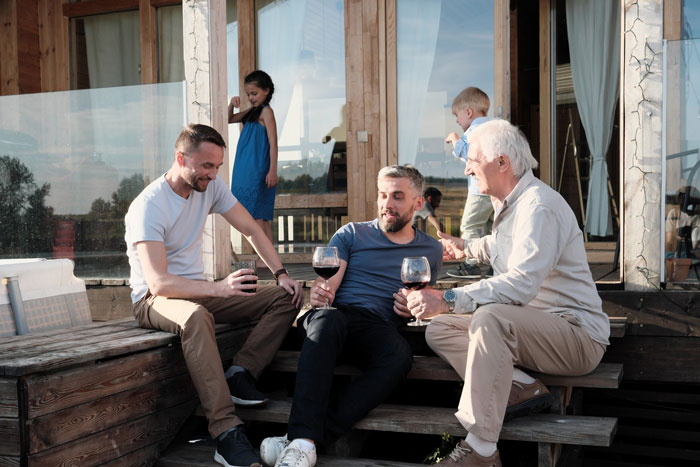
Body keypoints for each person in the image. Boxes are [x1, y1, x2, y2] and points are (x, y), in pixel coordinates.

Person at [406, 120, 610, 467]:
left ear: (502, 163)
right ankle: (520, 385)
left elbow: (521, 284)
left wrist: (449, 298)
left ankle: (482, 449)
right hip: (533, 330)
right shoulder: (510, 205)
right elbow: (503, 246)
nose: (467, 167)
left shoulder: (538, 207)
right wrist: (467, 247)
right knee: (440, 327)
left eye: (473, 159)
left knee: (489, 316)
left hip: (576, 334)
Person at [124, 124, 304, 467]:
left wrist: (282, 274)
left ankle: (240, 373)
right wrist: (220, 288)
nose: (213, 174)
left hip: (199, 291)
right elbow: (160, 283)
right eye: (207, 166)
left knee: (285, 297)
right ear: (181, 158)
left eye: (218, 166)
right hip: (153, 300)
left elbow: (251, 228)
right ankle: (225, 431)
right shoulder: (148, 206)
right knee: (195, 316)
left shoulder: (210, 188)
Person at [258, 165, 443, 467]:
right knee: (330, 320)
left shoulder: (430, 249)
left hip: (377, 326)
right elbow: (329, 286)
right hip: (334, 318)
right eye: (383, 195)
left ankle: (303, 440)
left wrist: (410, 307)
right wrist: (320, 293)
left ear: (418, 203)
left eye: (397, 196)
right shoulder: (353, 233)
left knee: (399, 356)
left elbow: (419, 296)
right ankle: (303, 440)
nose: (387, 204)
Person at [445, 87, 493, 279]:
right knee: (494, 227)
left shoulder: (474, 130)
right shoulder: (495, 127)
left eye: (457, 115)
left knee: (470, 225)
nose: (457, 120)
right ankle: (495, 265)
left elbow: (466, 153)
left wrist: (454, 139)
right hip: (497, 190)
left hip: (479, 191)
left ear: (468, 112)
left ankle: (471, 265)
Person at [229, 70, 278, 245]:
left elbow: (273, 143)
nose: (250, 97)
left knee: (256, 213)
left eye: (254, 93)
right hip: (244, 168)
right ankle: (269, 255)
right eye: (248, 94)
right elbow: (229, 119)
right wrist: (231, 104)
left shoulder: (267, 112)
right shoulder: (252, 112)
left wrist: (273, 170)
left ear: (266, 91)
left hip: (258, 170)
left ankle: (265, 256)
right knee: (257, 215)